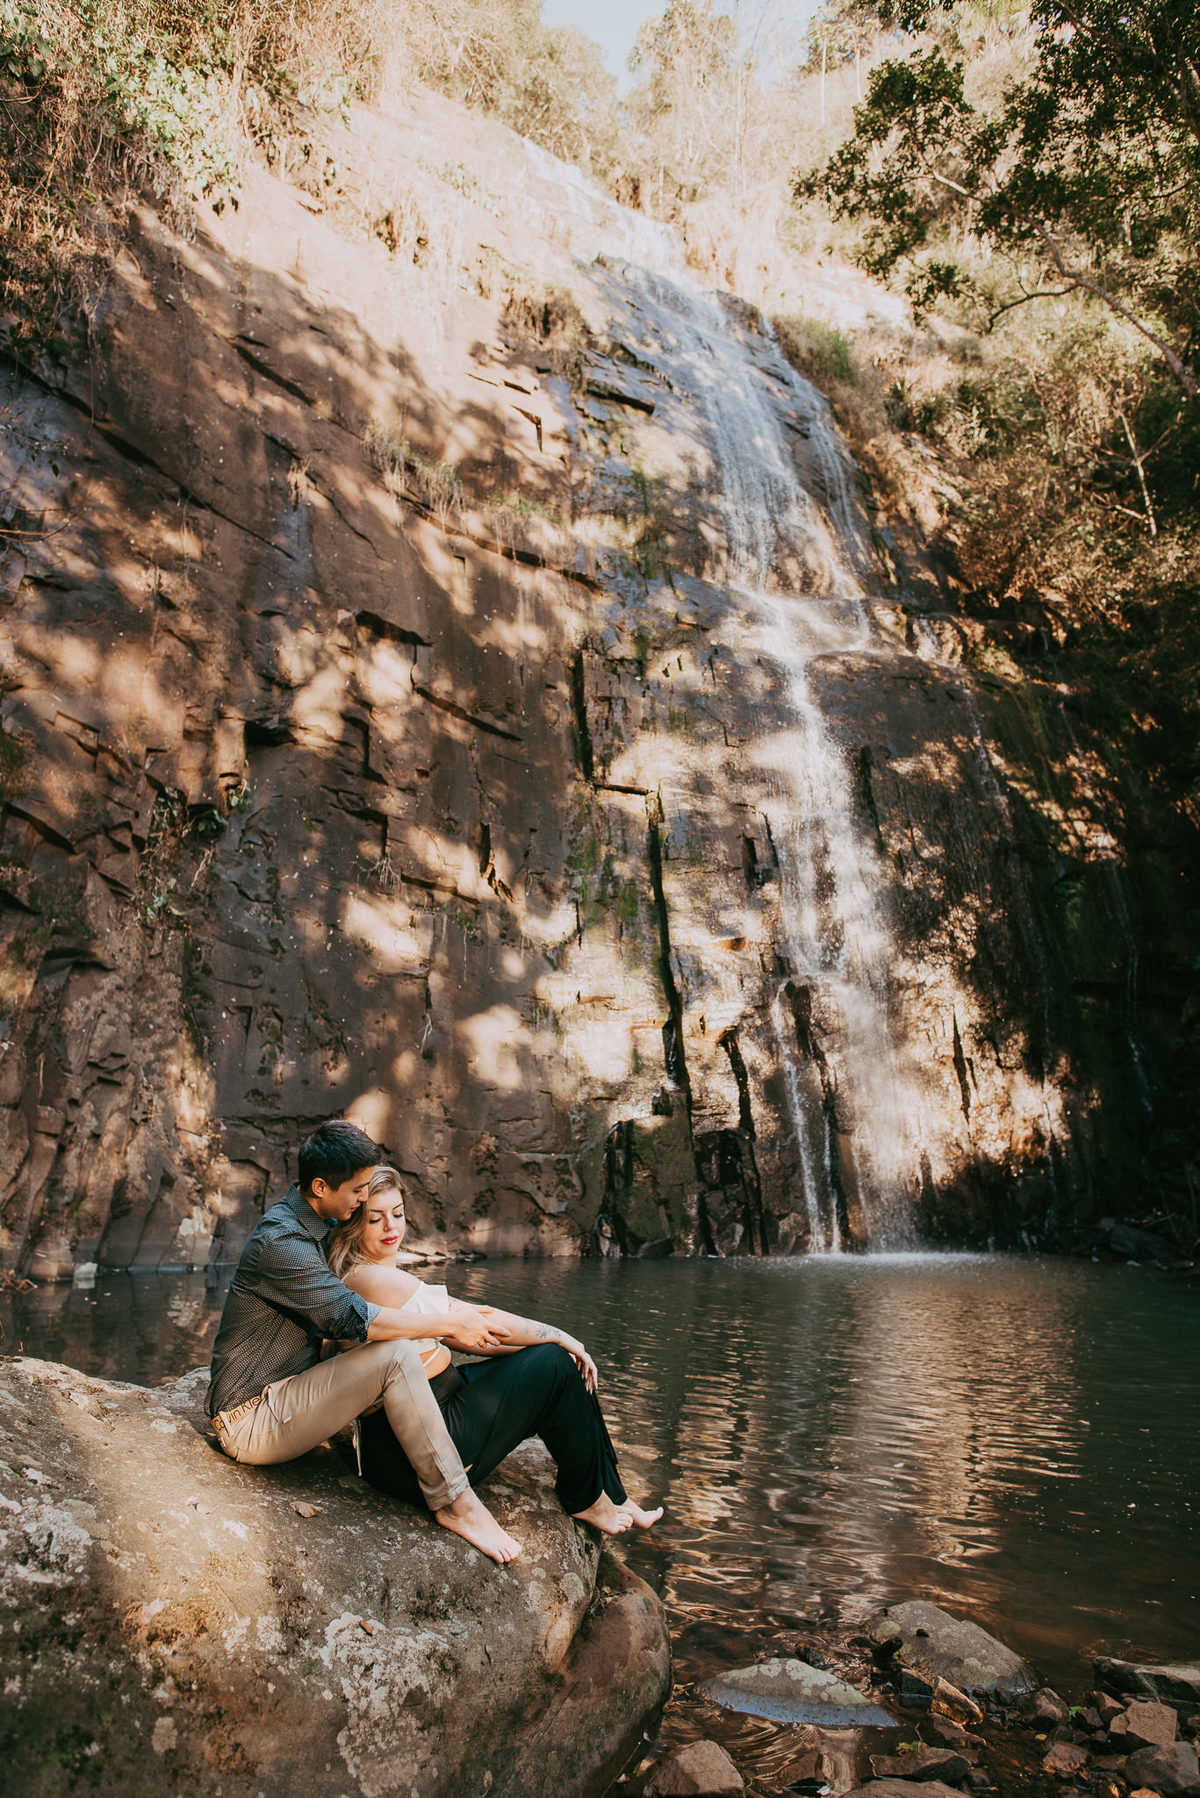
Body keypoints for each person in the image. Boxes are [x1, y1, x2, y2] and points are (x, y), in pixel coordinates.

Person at [205, 1119, 523, 1563]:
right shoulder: (282, 1242)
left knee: (389, 1351)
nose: (363, 1198)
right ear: (320, 1187)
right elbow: (352, 1318)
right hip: (251, 1420)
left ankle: (429, 1467)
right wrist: (446, 1325)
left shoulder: (315, 1224)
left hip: (288, 1396)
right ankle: (456, 1502)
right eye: (358, 1190)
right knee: (393, 1353)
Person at [328, 1165, 663, 1535]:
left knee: (557, 1363)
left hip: (426, 1417)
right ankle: (586, 1499)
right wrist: (560, 1337)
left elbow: (464, 1337)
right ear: (353, 1222)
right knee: (555, 1362)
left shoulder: (371, 1273)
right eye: (375, 1219)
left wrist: (541, 1349)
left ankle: (613, 1493)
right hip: (417, 1451)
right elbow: (478, 1317)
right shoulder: (374, 1279)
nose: (390, 1227)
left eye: (397, 1214)